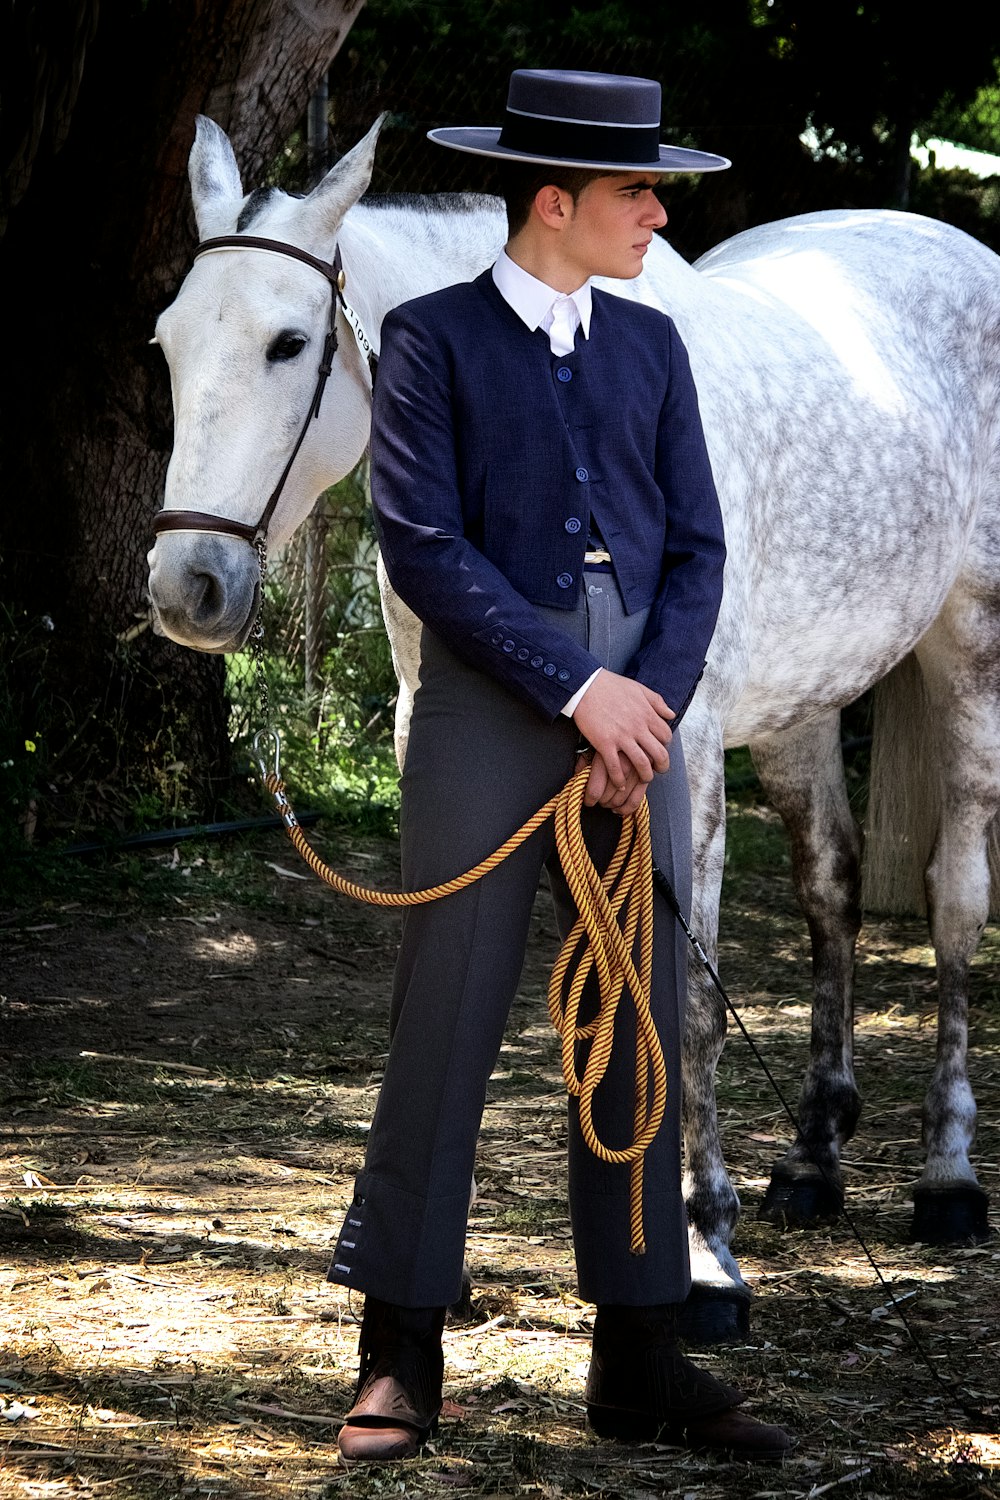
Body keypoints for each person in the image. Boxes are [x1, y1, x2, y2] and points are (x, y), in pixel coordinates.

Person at [328, 68, 795, 1464]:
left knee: (632, 1029)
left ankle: (640, 1358)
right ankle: (401, 1349)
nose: (659, 212)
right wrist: (577, 689)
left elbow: (701, 553)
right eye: (638, 191)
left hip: (632, 734)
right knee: (448, 1024)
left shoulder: (655, 347)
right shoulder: (429, 342)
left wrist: (643, 703)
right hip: (489, 722)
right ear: (556, 202)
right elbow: (427, 549)